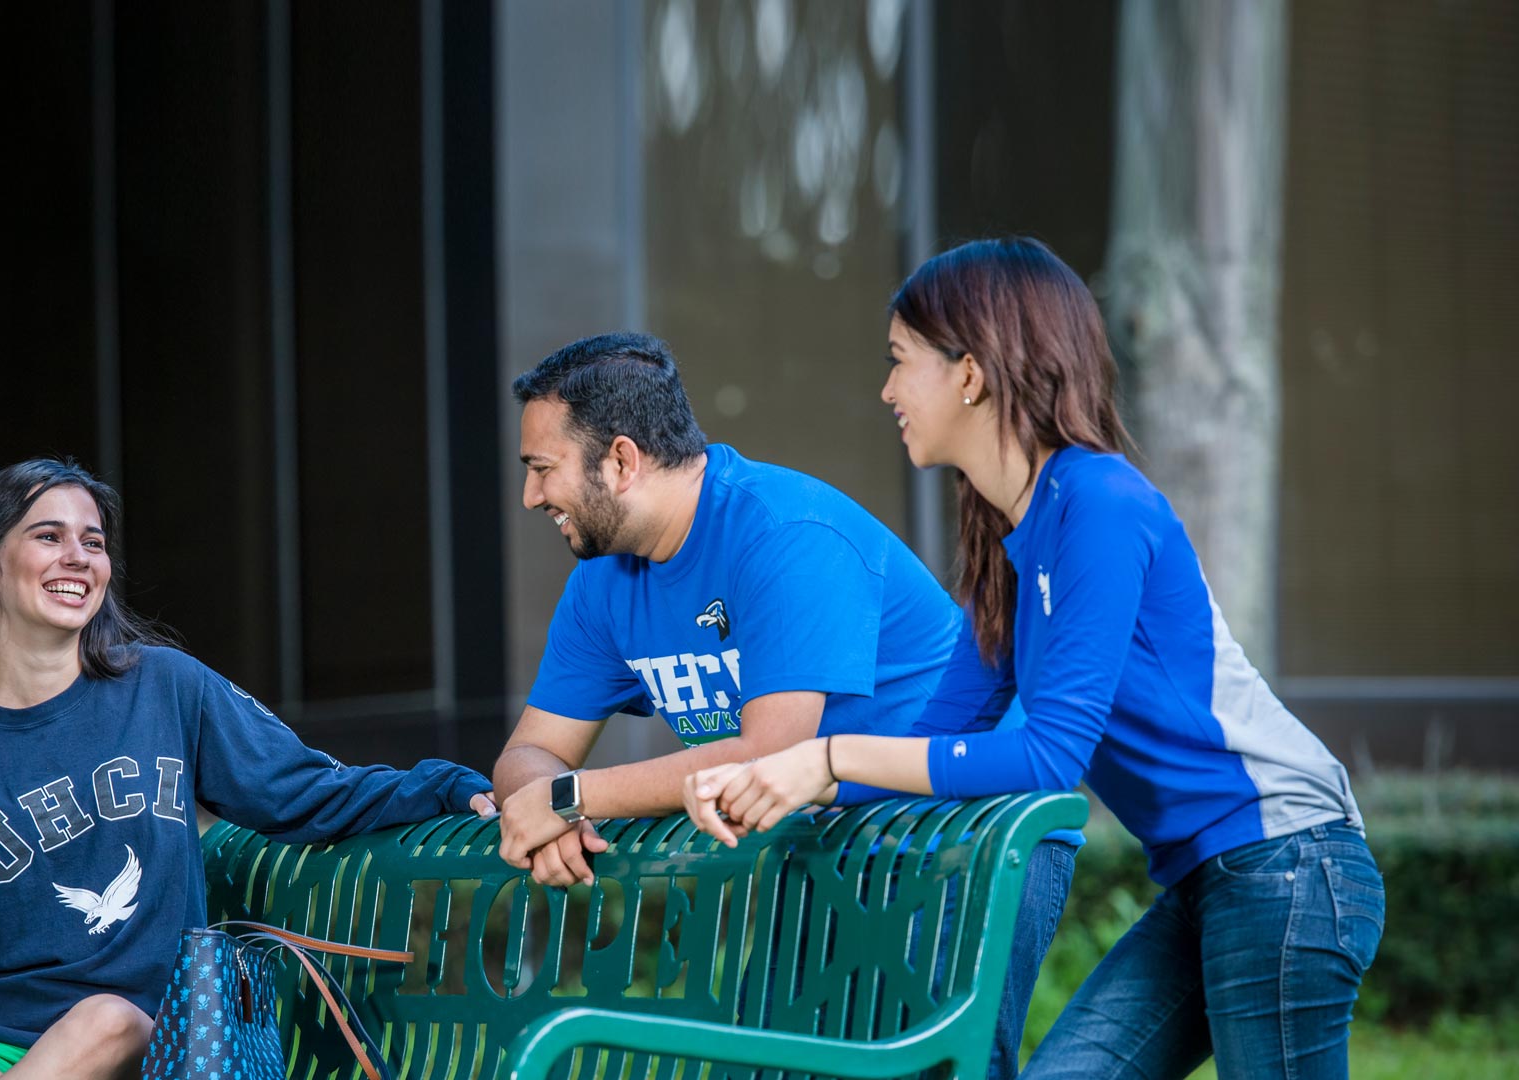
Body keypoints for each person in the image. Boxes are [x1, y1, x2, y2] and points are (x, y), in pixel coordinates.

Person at [684, 238, 1382, 1079]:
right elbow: (945, 729)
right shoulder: (1014, 538)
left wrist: (824, 756)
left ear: (971, 372)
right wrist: (794, 785)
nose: (886, 391)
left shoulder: (1099, 502)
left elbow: (1049, 756)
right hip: (1208, 881)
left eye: (900, 363)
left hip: (1287, 862)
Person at [494, 332, 1074, 1079]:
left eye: (543, 469)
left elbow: (766, 757)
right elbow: (526, 753)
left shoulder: (785, 533)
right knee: (779, 1068)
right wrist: (539, 806)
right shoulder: (605, 586)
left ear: (622, 461)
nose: (531, 496)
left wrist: (569, 798)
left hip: (962, 827)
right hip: (823, 837)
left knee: (935, 1072)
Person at [0, 458, 494, 1080]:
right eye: (48, 535)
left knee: (105, 1020)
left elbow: (303, 791)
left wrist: (444, 786)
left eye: (93, 542)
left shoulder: (166, 688)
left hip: (155, 1042)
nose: (78, 557)